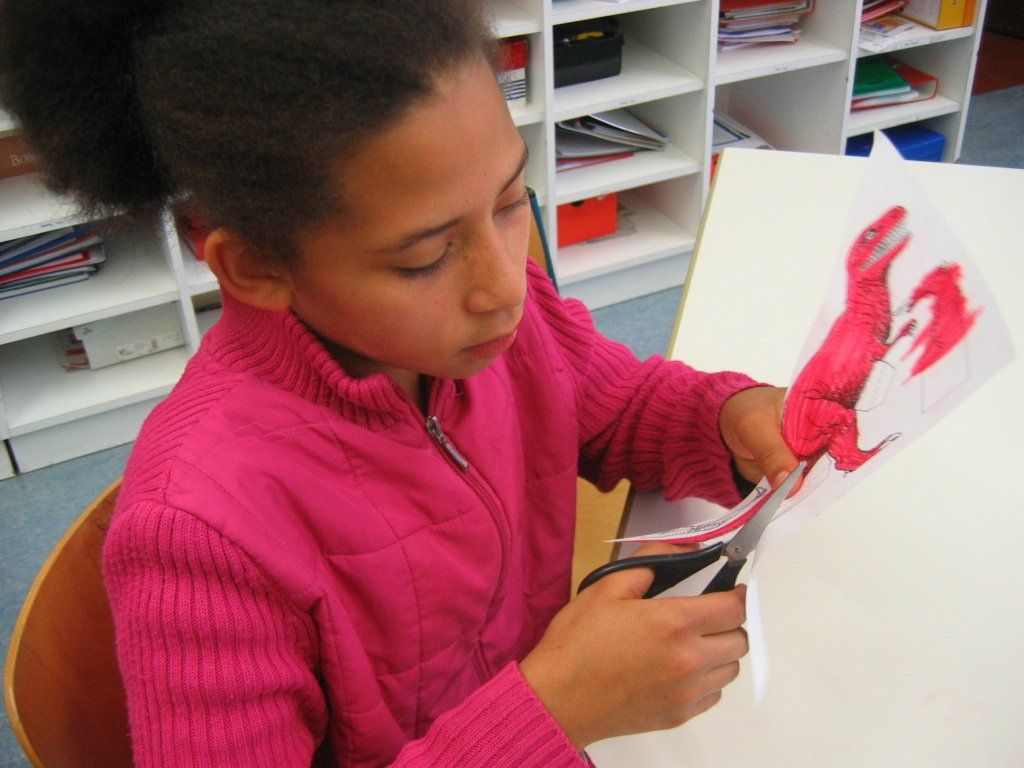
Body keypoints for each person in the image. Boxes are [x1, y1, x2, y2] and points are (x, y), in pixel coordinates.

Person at [0, 2, 798, 766]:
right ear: (255, 265)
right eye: (425, 258)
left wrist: (727, 417)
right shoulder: (196, 540)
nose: (503, 287)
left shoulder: (499, 329)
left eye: (510, 202)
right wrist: (556, 712)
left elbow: (618, 407)